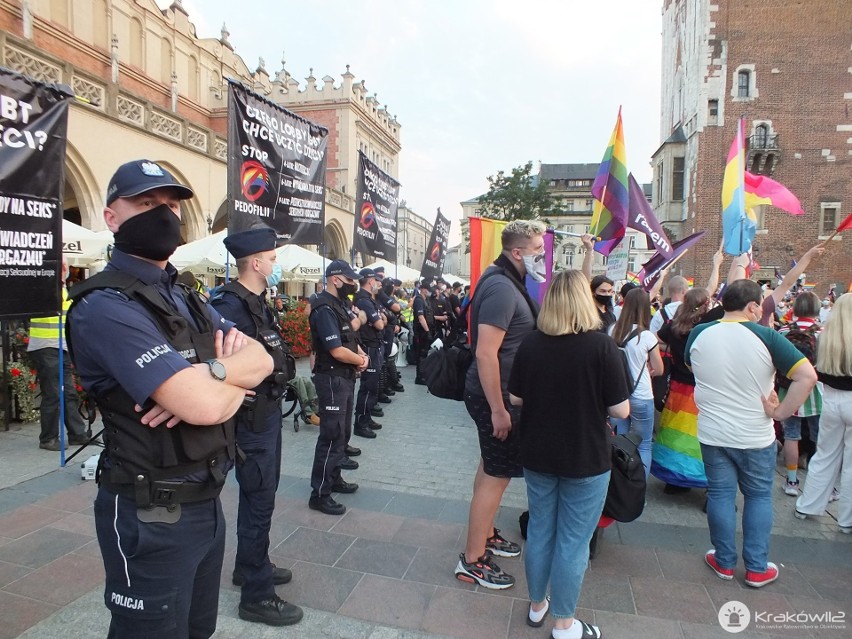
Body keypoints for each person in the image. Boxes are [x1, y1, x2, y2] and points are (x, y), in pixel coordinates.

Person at [66, 159, 273, 638]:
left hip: (207, 502)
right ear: (111, 216)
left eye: (170, 205)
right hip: (150, 512)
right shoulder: (105, 306)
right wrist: (221, 387)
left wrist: (213, 375)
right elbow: (203, 406)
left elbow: (262, 358)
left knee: (198, 630)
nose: (162, 214)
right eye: (144, 202)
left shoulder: (182, 294)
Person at [508, 269, 629, 639]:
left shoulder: (531, 343)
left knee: (541, 529)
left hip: (538, 453)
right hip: (585, 456)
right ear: (584, 300)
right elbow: (621, 410)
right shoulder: (601, 346)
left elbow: (515, 398)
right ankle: (564, 623)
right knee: (574, 541)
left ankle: (536, 606)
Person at [687, 279, 817, 588]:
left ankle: (724, 560)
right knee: (758, 496)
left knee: (720, 495)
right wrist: (780, 413)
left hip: (713, 431)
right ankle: (757, 568)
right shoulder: (766, 336)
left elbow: (694, 368)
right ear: (752, 306)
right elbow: (807, 376)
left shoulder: (699, 333)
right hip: (754, 433)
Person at [209, 227, 303, 627]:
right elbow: (230, 363)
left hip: (265, 414)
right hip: (250, 419)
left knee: (261, 495)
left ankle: (250, 565)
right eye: (273, 257)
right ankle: (256, 595)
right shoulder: (230, 305)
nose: (276, 263)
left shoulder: (256, 302)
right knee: (259, 498)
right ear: (256, 262)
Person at [454, 219, 545, 590]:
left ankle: (486, 533)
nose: (543, 256)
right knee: (498, 474)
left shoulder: (504, 281)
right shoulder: (502, 288)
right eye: (538, 249)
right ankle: (473, 560)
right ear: (518, 252)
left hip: (499, 395)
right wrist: (498, 409)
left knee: (490, 466)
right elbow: (486, 353)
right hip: (497, 397)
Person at [308, 259, 369, 515]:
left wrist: (361, 354)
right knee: (331, 435)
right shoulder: (323, 308)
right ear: (336, 279)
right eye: (350, 280)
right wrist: (362, 360)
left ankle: (334, 479)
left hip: (345, 377)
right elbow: (335, 349)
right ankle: (319, 493)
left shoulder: (339, 305)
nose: (353, 284)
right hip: (332, 377)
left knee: (342, 433)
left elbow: (350, 340)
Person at [793, 293, 852, 534]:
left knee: (825, 455)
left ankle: (807, 505)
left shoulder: (825, 336)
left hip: (830, 398)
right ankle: (847, 520)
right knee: (849, 464)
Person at [651, 288, 713, 493]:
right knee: (696, 435)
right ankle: (698, 477)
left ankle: (674, 480)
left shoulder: (673, 326)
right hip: (700, 388)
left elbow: (654, 339)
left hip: (677, 388)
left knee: (673, 433)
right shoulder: (707, 328)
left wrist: (667, 348)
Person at [28, 258, 88, 450]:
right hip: (46, 345)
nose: (65, 269)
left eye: (66, 265)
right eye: (62, 265)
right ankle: (48, 438)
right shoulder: (44, 285)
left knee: (68, 392)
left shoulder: (61, 287)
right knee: (53, 393)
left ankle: (77, 434)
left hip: (60, 345)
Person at [609, 288, 664, 477]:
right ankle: (638, 491)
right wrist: (648, 369)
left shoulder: (612, 331)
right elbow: (660, 368)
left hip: (618, 395)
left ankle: (619, 486)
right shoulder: (647, 337)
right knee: (644, 444)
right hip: (641, 394)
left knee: (620, 442)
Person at [776, 291, 823, 496]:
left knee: (791, 436)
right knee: (819, 437)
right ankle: (821, 484)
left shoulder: (784, 331)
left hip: (789, 390)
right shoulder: (822, 332)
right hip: (816, 391)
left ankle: (792, 481)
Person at [353, 268, 385, 437]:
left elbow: (383, 319)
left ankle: (367, 416)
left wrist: (379, 319)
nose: (377, 283)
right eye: (375, 280)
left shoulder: (369, 300)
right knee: (368, 387)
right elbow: (380, 324)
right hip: (369, 346)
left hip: (374, 345)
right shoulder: (364, 300)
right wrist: (379, 320)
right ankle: (361, 422)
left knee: (372, 386)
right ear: (370, 281)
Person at [412, 281, 436, 384]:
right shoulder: (419, 300)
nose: (429, 292)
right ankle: (420, 377)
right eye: (428, 290)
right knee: (421, 354)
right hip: (421, 332)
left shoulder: (425, 300)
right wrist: (427, 331)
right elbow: (421, 317)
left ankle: (422, 375)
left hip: (426, 330)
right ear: (423, 289)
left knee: (424, 353)